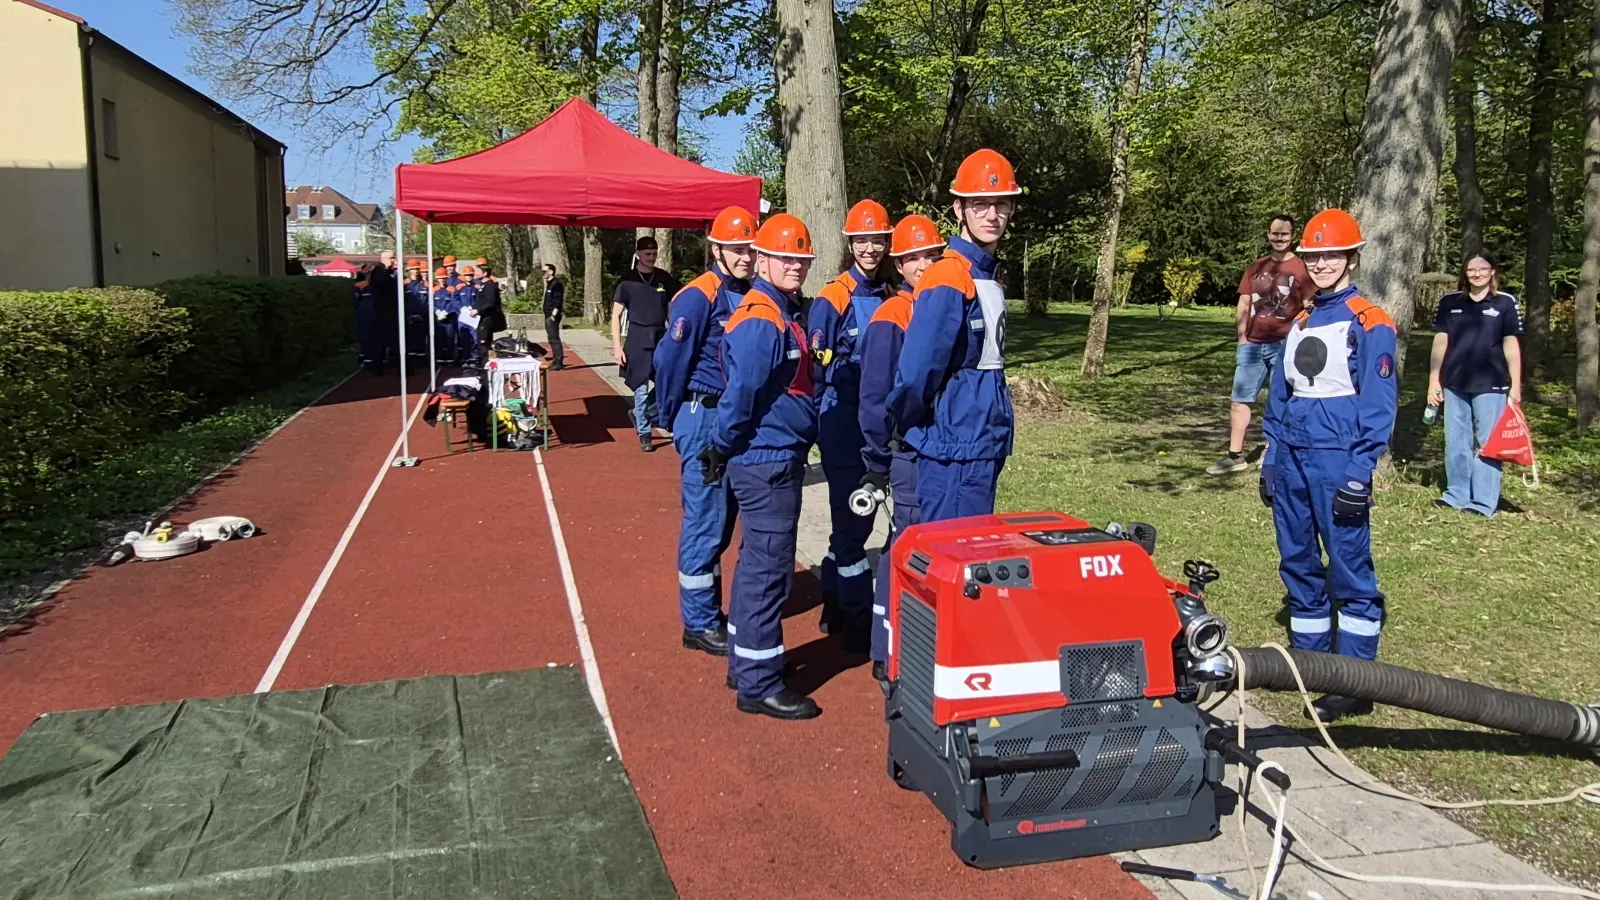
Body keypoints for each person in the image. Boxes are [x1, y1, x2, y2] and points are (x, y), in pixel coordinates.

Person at [1260, 208, 1397, 724]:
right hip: (1292, 457)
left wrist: (1362, 469)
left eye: (1331, 255)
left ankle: (1355, 681)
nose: (1321, 264)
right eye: (1314, 255)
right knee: (1297, 559)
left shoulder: (1371, 322)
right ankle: (1311, 664)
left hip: (1338, 460)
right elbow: (1282, 394)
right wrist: (1272, 453)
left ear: (1351, 258)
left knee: (1347, 567)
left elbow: (1379, 402)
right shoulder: (1300, 320)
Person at [701, 213, 821, 720]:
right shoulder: (762, 318)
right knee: (768, 572)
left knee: (760, 566)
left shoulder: (777, 311)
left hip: (772, 454)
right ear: (764, 260)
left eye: (801, 258)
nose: (795, 265)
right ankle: (758, 681)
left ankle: (749, 660)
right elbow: (741, 394)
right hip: (765, 458)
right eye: (785, 258)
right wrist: (721, 445)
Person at [887, 148, 1018, 521]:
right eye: (980, 205)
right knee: (954, 563)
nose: (992, 215)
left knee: (974, 559)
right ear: (959, 209)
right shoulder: (948, 275)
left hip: (981, 443)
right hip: (953, 448)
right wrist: (905, 422)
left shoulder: (986, 274)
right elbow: (916, 372)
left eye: (1001, 204)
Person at [651, 206, 758, 658]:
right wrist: (672, 416)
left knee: (723, 520)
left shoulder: (748, 292)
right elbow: (669, 361)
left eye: (750, 250)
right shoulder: (699, 296)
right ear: (716, 249)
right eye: (736, 249)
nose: (745, 257)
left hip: (732, 418)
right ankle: (697, 621)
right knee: (705, 521)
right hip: (704, 415)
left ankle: (708, 609)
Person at [858, 214, 945, 681]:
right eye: (912, 258)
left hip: (937, 450)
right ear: (898, 264)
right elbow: (874, 397)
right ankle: (887, 650)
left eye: (930, 256)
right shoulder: (893, 315)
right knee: (905, 549)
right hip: (906, 452)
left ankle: (913, 645)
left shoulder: (942, 305)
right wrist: (878, 460)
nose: (922, 265)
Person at [809, 199, 894, 644]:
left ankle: (833, 600)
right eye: (862, 240)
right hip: (842, 421)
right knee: (852, 519)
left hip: (878, 422)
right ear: (849, 242)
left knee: (854, 523)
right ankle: (856, 616)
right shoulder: (832, 296)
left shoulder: (892, 294)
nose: (870, 248)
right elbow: (816, 368)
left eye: (877, 239)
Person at [1208, 216, 1313, 475]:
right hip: (1252, 345)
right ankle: (1235, 456)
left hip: (1284, 344)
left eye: (1285, 234)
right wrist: (1242, 335)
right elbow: (1244, 302)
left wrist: (1297, 336)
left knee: (1283, 400)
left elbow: (1310, 305)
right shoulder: (1255, 267)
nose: (1279, 238)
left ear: (1293, 236)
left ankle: (1277, 452)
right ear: (1268, 235)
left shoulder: (1301, 269)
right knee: (1239, 400)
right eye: (1275, 233)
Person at [1427, 250, 1523, 517]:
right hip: (1454, 382)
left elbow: (1511, 344)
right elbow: (1440, 341)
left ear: (1492, 271)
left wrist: (1515, 384)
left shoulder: (1504, 303)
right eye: (1471, 269)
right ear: (1464, 273)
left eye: (1482, 268)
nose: (1476, 274)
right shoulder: (1449, 302)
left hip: (1491, 384)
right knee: (1456, 441)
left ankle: (1483, 501)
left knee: (1487, 443)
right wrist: (1434, 379)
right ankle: (1456, 494)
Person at [612, 236, 683, 451]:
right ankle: (644, 432)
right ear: (638, 255)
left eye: (654, 254)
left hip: (661, 338)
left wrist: (676, 337)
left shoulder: (664, 279)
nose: (651, 258)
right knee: (640, 389)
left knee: (667, 383)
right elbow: (615, 315)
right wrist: (616, 346)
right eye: (647, 254)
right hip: (636, 339)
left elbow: (673, 310)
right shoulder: (627, 281)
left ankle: (642, 414)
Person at [471, 260, 506, 365]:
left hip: (488, 319)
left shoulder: (490, 285)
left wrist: (478, 310)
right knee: (484, 342)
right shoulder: (483, 285)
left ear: (485, 273)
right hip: (483, 318)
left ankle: (486, 364)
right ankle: (488, 363)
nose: (475, 273)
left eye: (478, 271)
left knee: (483, 343)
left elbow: (491, 302)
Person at [542, 264, 567, 370]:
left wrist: (553, 315)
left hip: (552, 315)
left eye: (544, 271)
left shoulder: (556, 284)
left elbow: (558, 300)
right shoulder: (549, 283)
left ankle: (559, 362)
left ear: (551, 272)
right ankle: (555, 359)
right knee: (551, 338)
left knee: (554, 338)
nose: (543, 274)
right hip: (547, 314)